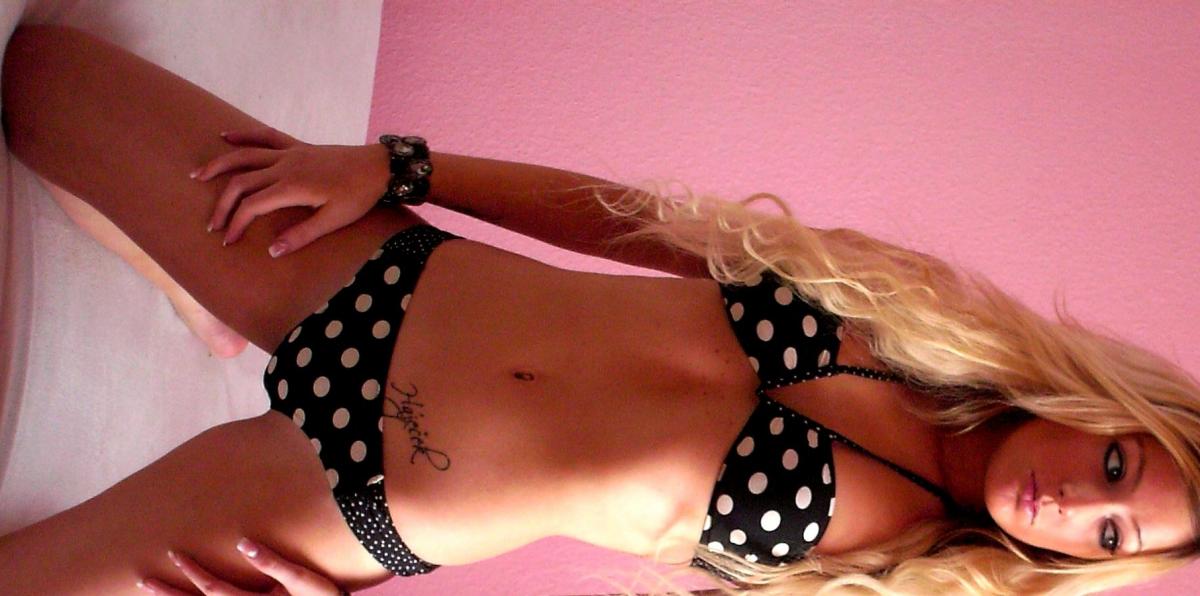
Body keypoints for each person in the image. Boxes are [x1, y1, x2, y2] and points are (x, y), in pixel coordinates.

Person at [2, 23, 1198, 596]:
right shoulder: (914, 316)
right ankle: (197, 292)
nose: (1073, 501)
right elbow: (641, 222)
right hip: (382, 276)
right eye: (1114, 462)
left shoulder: (912, 581)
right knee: (39, 71)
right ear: (1097, 403)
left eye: (1109, 534)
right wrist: (394, 166)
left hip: (353, 492)